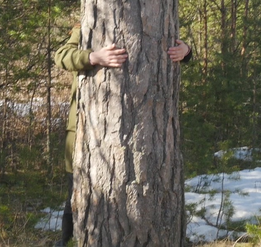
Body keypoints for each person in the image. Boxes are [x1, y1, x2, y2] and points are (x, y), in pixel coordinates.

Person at [53, 24, 191, 246]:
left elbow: (176, 49)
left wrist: (186, 51)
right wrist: (93, 57)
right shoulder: (85, 26)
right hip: (83, 131)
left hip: (144, 134)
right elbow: (61, 56)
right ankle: (67, 242)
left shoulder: (159, 19)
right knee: (75, 197)